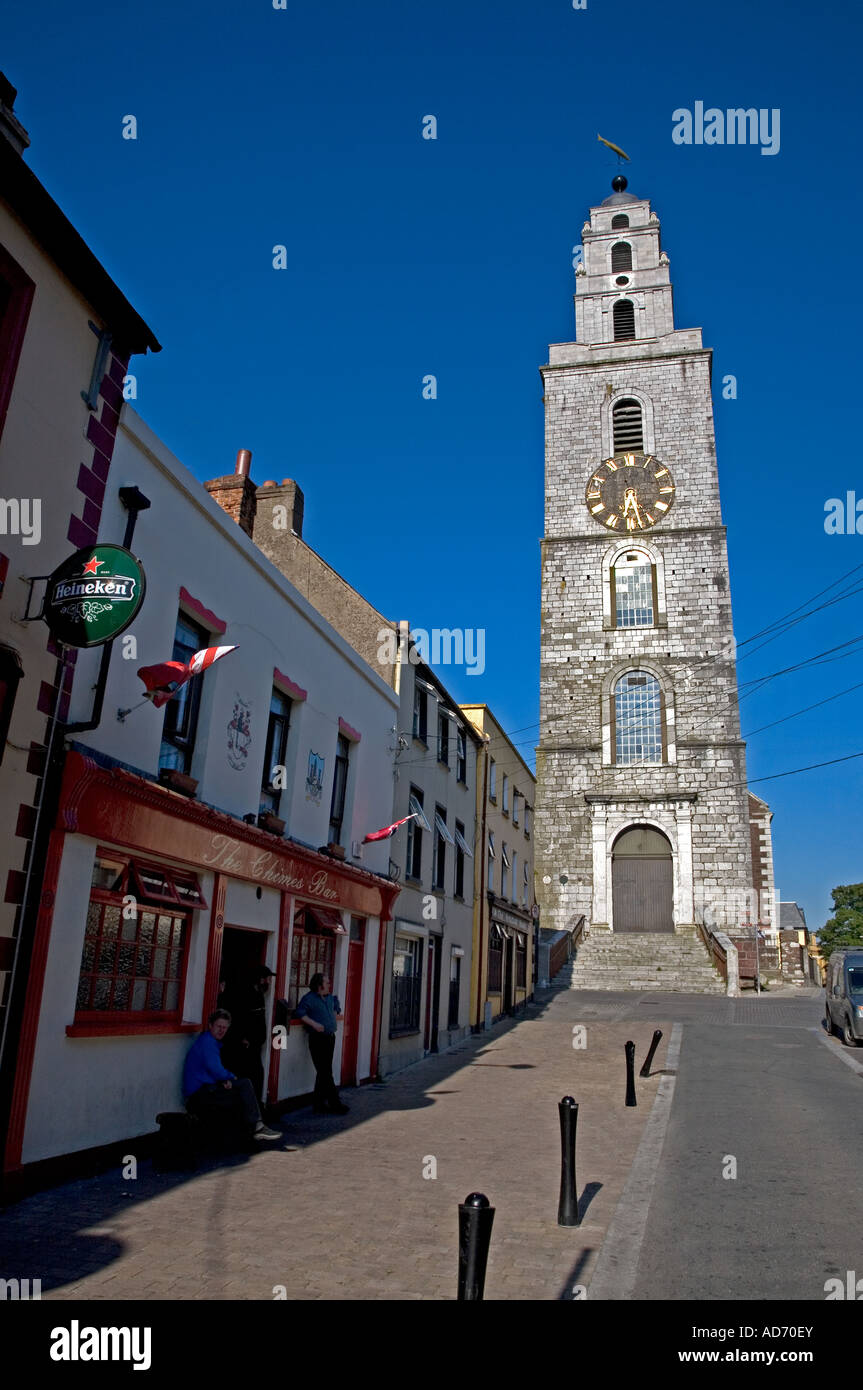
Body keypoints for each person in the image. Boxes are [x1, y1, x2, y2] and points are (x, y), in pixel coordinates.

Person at [183, 1009, 282, 1141]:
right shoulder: (208, 1043)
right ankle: (256, 1128)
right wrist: (230, 1077)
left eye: (224, 1028)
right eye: (218, 1026)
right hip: (199, 1093)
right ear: (210, 1025)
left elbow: (210, 1070)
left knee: (243, 1092)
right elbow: (215, 1069)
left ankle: (252, 1131)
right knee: (244, 1087)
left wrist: (224, 1080)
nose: (221, 1030)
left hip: (206, 1088)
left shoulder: (210, 1041)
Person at [295, 973, 349, 1114]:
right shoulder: (309, 999)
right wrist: (314, 1024)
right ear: (320, 985)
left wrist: (335, 1011)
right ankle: (335, 1103)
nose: (329, 984)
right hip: (317, 1039)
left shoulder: (330, 998)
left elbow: (336, 1006)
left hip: (330, 1038)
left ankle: (318, 1105)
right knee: (326, 1071)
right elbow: (300, 1013)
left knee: (323, 1072)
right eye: (327, 982)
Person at [222, 964, 274, 1106]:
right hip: (245, 1048)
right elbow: (237, 1018)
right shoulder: (244, 995)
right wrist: (242, 1038)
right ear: (260, 979)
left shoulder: (260, 995)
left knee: (257, 1077)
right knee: (248, 1077)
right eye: (267, 979)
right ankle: (248, 1111)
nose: (269, 982)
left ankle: (255, 1109)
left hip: (256, 1046)